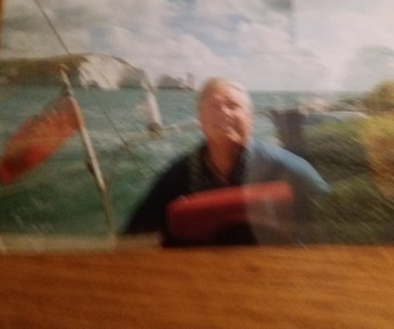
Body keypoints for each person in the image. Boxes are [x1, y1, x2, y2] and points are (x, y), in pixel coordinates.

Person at [124, 77, 329, 245]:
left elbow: (332, 220)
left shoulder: (289, 169)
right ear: (201, 120)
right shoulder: (174, 178)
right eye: (214, 106)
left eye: (233, 105)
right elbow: (134, 238)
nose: (224, 113)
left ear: (250, 117)